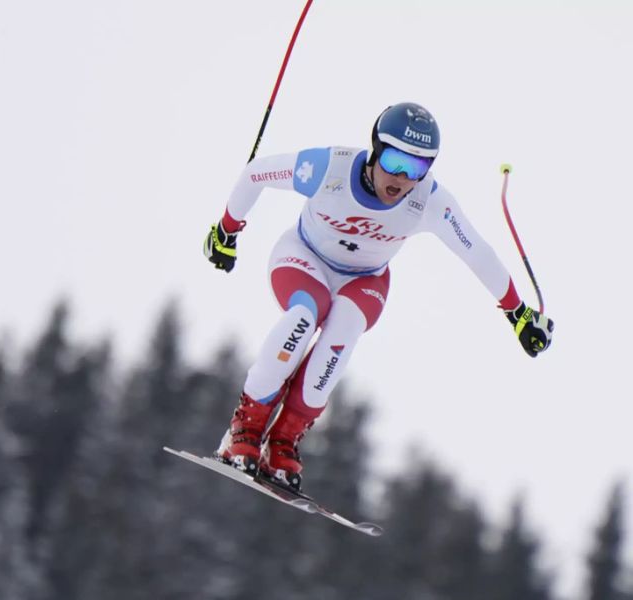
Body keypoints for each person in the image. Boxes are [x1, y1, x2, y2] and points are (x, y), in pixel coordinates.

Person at [203, 102, 554, 492]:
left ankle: (283, 441)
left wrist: (518, 314)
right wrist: (226, 232)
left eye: (417, 168)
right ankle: (245, 430)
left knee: (344, 329)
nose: (402, 179)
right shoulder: (329, 168)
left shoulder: (429, 201)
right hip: (304, 258)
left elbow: (476, 251)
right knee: (305, 314)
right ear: (374, 150)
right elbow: (256, 174)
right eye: (394, 161)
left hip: (365, 279)